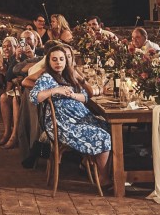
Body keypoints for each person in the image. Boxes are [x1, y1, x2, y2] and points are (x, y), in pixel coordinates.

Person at [29, 44, 112, 188]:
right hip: (63, 123)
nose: (58, 62)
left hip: (80, 118)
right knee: (103, 136)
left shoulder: (69, 75)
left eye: (61, 59)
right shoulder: (46, 78)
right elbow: (34, 96)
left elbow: (86, 97)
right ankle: (104, 177)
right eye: (54, 59)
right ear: (49, 62)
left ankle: (97, 168)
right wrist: (55, 90)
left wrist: (74, 95)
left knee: (111, 129)